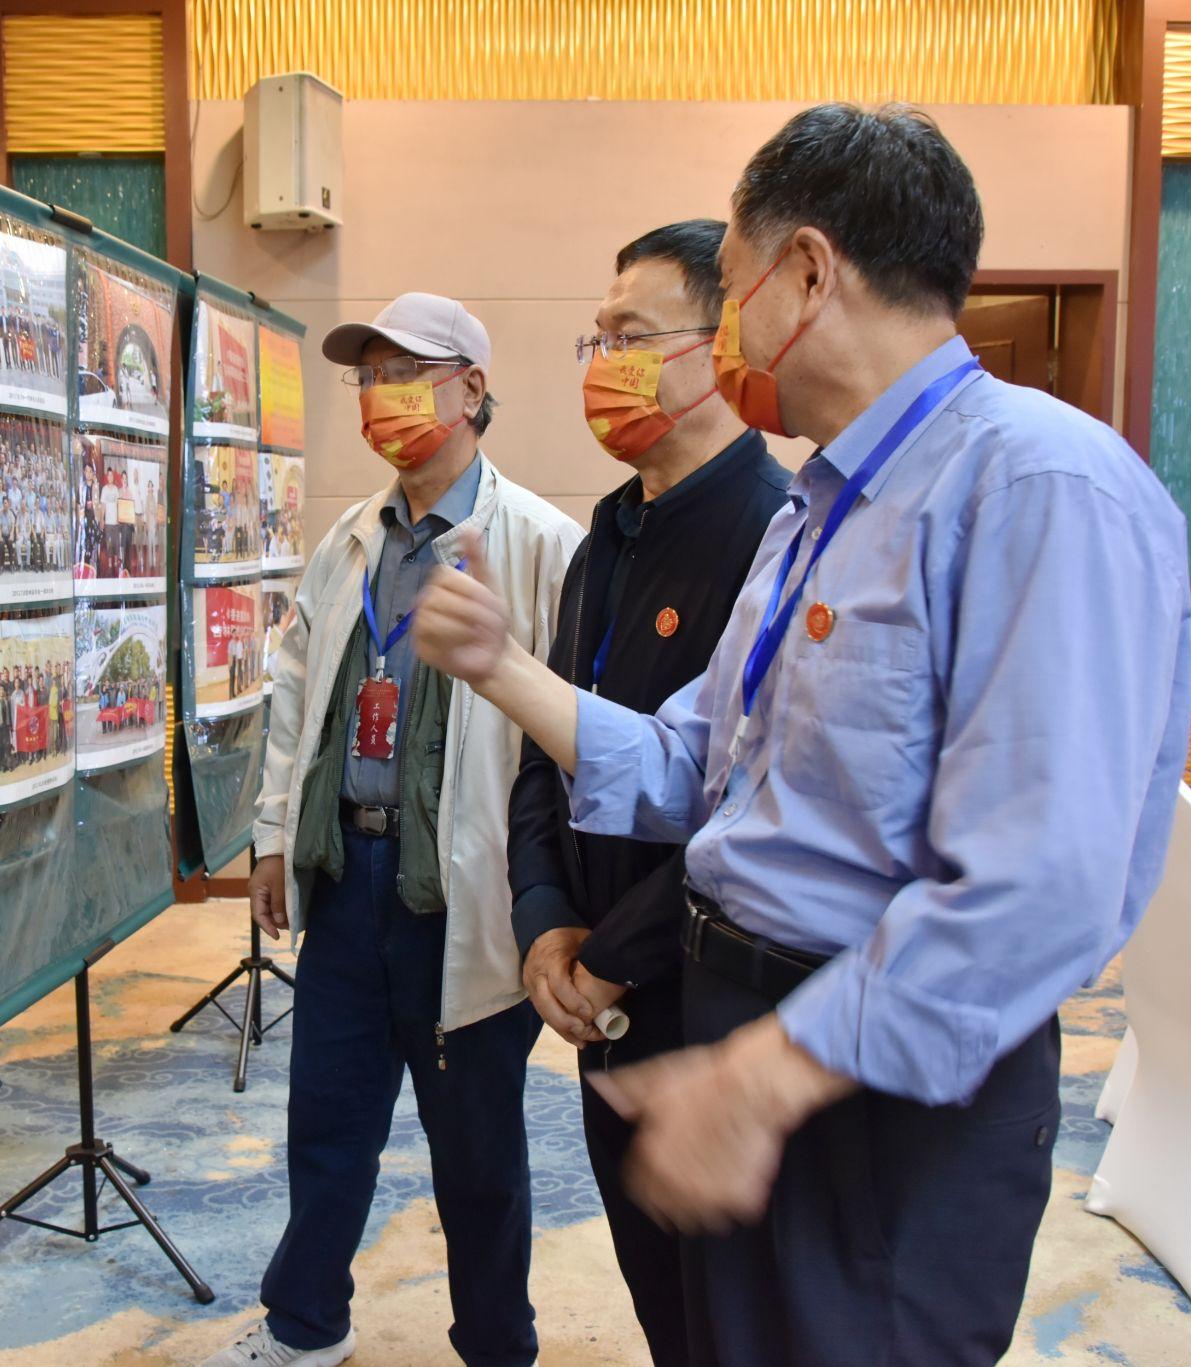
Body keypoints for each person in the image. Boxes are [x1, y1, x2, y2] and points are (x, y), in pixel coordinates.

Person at [410, 104, 1191, 1365]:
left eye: (725, 290)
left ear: (808, 272)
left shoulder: (1038, 487)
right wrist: (501, 665)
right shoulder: (817, 509)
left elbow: (1038, 882)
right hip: (745, 1027)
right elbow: (694, 769)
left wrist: (774, 1073)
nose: (724, 332)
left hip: (874, 1085)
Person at [203, 294, 582, 1367]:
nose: (379, 395)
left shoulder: (542, 546)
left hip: (462, 894)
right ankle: (305, 1322)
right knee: (326, 1124)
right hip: (347, 873)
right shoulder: (349, 538)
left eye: (404, 370)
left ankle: (497, 1344)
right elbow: (296, 695)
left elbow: (567, 738)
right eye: (366, 373)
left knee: (478, 1157)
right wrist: (275, 836)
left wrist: (554, 905)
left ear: (470, 387)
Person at [500, 218, 791, 1365]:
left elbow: (749, 802)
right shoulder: (604, 538)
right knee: (655, 1295)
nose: (599, 360)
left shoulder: (770, 530)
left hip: (704, 994)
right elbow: (546, 750)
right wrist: (540, 922)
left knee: (728, 1311)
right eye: (594, 333)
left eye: (629, 333)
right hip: (589, 991)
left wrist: (608, 950)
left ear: (718, 337)